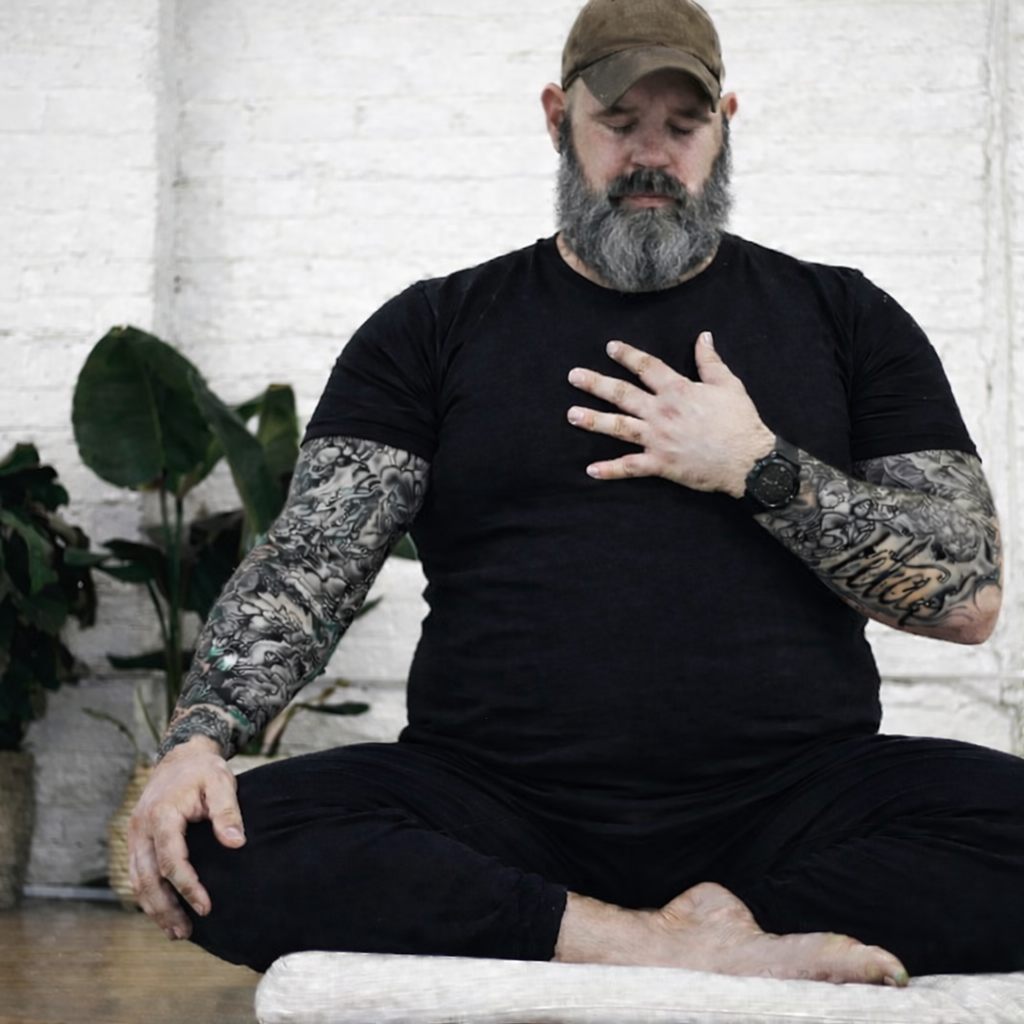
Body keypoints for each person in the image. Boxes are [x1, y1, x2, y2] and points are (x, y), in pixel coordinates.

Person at [128, 0, 1024, 986]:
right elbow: (306, 571)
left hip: (793, 799)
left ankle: (726, 919)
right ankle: (662, 943)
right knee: (212, 839)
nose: (652, 155)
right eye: (618, 122)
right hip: (494, 800)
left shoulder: (845, 317)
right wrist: (197, 739)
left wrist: (755, 463)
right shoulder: (433, 328)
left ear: (726, 121)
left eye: (682, 126)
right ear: (556, 117)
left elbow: (966, 599)